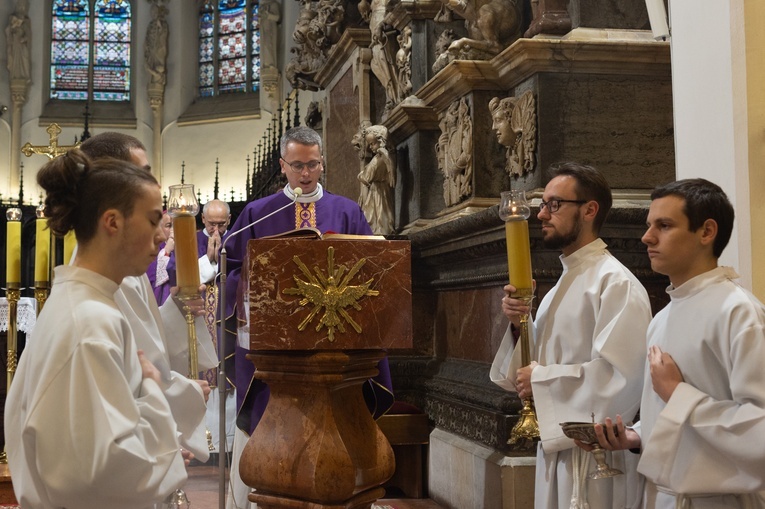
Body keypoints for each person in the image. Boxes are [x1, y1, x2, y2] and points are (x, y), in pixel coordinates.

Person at [223, 126, 395, 509]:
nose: (306, 173)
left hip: (339, 354)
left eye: (313, 164)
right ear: (283, 165)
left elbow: (373, 269)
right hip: (276, 357)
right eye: (298, 165)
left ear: (322, 163)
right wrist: (250, 284)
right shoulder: (257, 213)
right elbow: (231, 269)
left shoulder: (347, 211)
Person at [5, 150, 187, 508]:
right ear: (113, 222)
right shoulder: (89, 322)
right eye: (152, 221)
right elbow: (105, 475)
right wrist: (151, 390)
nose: (160, 237)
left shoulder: (85, 304)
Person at [584, 179, 765, 509]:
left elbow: (759, 429)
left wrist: (678, 395)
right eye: (649, 225)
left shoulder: (739, 312)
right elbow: (672, 413)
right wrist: (637, 435)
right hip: (661, 496)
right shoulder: (663, 318)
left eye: (664, 225)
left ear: (706, 232)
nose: (647, 237)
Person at [490, 162, 652, 509]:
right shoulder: (560, 287)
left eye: (554, 204)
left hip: (599, 461)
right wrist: (521, 324)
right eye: (543, 204)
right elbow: (530, 371)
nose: (541, 215)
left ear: (590, 210)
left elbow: (623, 380)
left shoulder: (615, 284)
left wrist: (543, 381)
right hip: (559, 451)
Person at [79, 132, 215, 461]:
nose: (159, 235)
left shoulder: (128, 266)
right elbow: (134, 369)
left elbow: (144, 342)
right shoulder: (107, 276)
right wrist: (188, 396)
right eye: (142, 172)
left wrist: (175, 308)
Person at [198, 198, 231, 284]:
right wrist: (207, 258)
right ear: (203, 218)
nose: (216, 230)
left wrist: (220, 259)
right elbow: (179, 272)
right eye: (212, 224)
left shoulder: (235, 239)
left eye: (221, 224)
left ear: (229, 219)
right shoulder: (190, 241)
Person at [147, 210, 176, 305]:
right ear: (160, 228)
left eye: (176, 225)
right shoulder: (154, 248)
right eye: (169, 226)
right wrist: (166, 251)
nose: (173, 230)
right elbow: (154, 279)